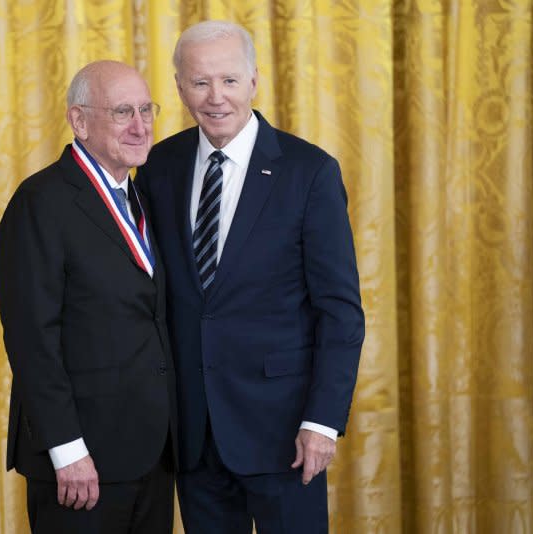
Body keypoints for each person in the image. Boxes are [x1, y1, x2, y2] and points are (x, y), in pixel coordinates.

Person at [135, 21, 365, 533]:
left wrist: (321, 422)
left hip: (285, 434)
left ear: (255, 81)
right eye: (199, 83)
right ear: (178, 88)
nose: (216, 98)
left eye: (229, 81)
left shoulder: (309, 172)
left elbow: (340, 310)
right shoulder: (157, 168)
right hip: (194, 435)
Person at [0, 60, 177, 534]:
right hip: (81, 464)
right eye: (122, 112)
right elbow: (32, 337)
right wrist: (68, 450)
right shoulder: (41, 202)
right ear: (79, 120)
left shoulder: (140, 197)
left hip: (153, 456)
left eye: (145, 110)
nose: (140, 126)